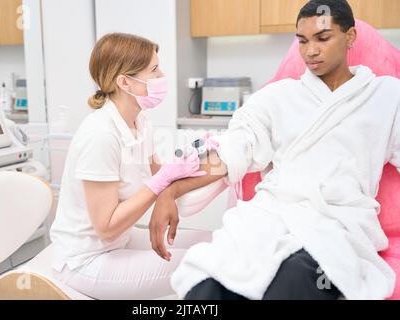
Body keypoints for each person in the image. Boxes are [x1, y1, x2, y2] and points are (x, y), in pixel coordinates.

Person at [149, 0, 400, 300]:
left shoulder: (386, 96)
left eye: (323, 38)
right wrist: (170, 191)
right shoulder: (278, 97)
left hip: (337, 221)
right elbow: (233, 149)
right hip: (271, 214)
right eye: (303, 41)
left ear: (350, 37)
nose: (310, 51)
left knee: (294, 280)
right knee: (208, 286)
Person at [49, 33, 211, 299]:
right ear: (125, 82)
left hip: (118, 241)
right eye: (154, 69)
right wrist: (162, 181)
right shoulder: (100, 135)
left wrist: (206, 160)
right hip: (86, 259)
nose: (163, 75)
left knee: (212, 243)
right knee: (204, 264)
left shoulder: (140, 122)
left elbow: (162, 176)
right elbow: (106, 226)